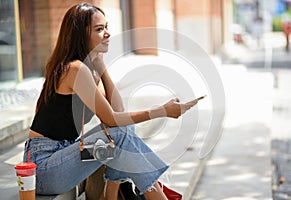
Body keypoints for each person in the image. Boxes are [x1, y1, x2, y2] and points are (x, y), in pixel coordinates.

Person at [22, 3, 198, 200]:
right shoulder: (74, 69)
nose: (107, 34)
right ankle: (156, 196)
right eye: (99, 29)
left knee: (125, 131)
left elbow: (118, 112)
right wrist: (162, 111)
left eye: (106, 27)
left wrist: (101, 67)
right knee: (120, 134)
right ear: (80, 35)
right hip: (45, 168)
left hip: (66, 156)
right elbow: (113, 119)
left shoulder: (86, 70)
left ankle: (111, 195)